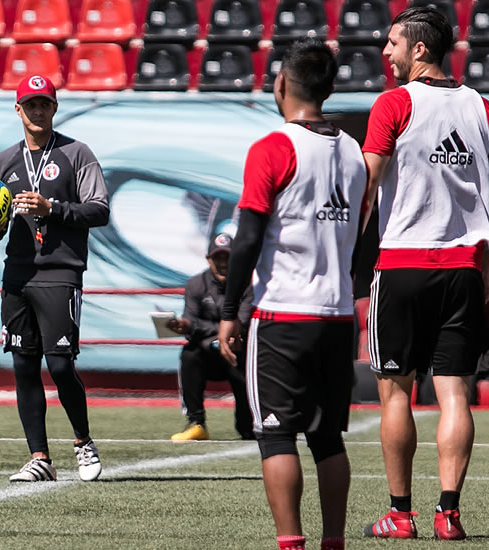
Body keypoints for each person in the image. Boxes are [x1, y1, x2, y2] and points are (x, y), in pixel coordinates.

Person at [217, 39, 366, 550]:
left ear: (281, 83)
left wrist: (228, 311)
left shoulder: (272, 147)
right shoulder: (352, 150)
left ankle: (289, 543)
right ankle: (334, 541)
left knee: (277, 435)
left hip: (283, 314)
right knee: (328, 438)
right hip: (339, 317)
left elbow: (248, 239)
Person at [359, 7, 489, 541]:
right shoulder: (481, 107)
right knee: (455, 392)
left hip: (404, 264)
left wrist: (346, 254)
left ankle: (400, 515)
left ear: (418, 50)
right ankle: (449, 515)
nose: (385, 53)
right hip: (467, 269)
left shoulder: (394, 103)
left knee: (396, 392)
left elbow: (366, 186)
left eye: (392, 43)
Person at [0, 74, 110, 482]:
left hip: (61, 272)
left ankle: (83, 442)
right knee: (23, 364)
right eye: (29, 104)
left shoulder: (76, 153)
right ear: (18, 110)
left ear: (54, 107)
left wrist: (53, 208)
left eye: (43, 103)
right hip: (17, 274)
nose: (37, 110)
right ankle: (39, 458)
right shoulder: (4, 162)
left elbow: (99, 210)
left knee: (61, 364)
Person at [167, 232, 254, 441]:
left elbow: (241, 325)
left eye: (228, 257)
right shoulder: (196, 284)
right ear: (209, 259)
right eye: (218, 257)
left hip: (236, 353)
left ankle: (248, 425)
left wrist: (197, 327)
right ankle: (196, 423)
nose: (223, 263)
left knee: (242, 356)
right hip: (206, 354)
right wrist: (183, 325)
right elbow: (190, 320)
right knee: (189, 354)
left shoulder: (249, 284)